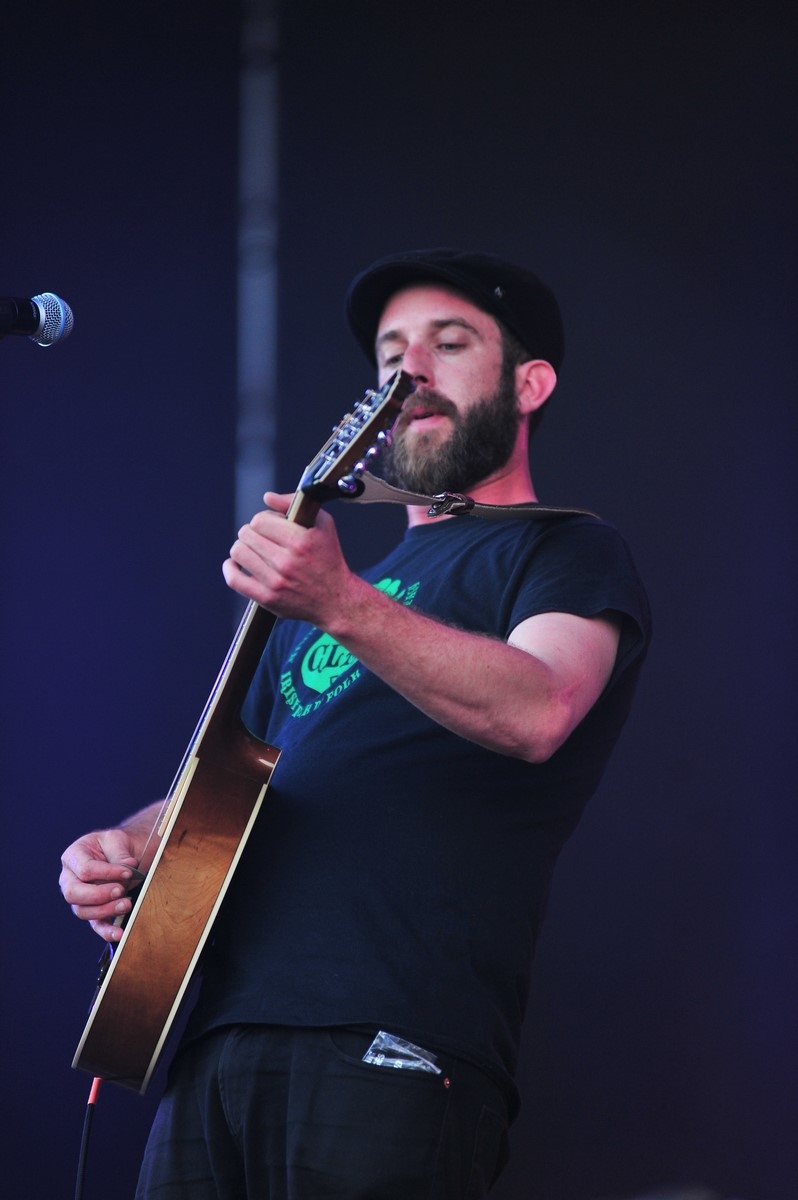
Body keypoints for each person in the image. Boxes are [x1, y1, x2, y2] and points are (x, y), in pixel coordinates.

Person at [60, 248, 651, 1199]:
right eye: (389, 354)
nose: (408, 371)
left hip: (395, 1035)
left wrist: (339, 603)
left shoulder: (566, 548)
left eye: (448, 343)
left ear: (529, 383)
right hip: (213, 1044)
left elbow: (540, 708)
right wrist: (127, 847)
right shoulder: (328, 600)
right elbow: (235, 785)